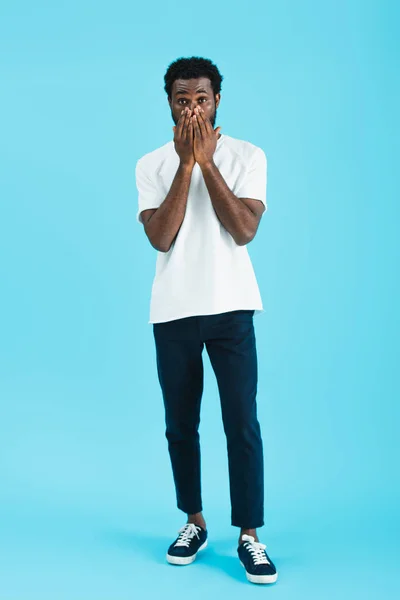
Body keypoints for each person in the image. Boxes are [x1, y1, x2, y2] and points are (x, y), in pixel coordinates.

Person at [135, 56, 278, 585]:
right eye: (182, 99)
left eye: (201, 98)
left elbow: (243, 230)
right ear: (168, 104)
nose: (192, 107)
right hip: (173, 310)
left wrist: (209, 162)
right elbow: (160, 236)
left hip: (232, 306)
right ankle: (193, 521)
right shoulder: (151, 164)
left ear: (218, 100)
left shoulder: (248, 155)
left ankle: (249, 536)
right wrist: (185, 164)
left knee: (241, 422)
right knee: (181, 426)